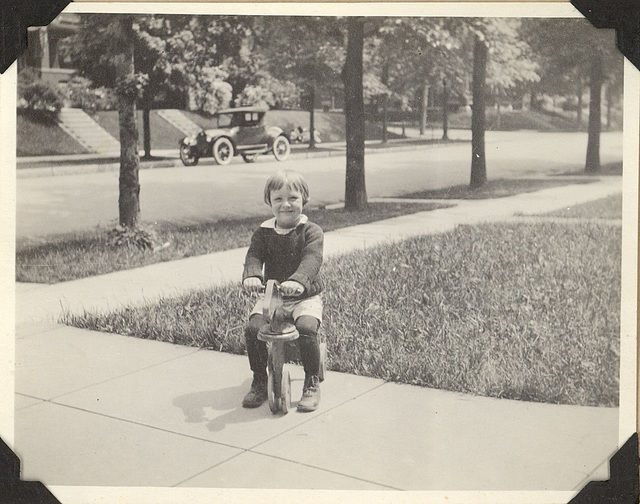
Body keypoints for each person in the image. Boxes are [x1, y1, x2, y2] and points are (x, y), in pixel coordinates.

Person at [241, 170, 324, 412]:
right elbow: (254, 256)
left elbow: (312, 259)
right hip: (272, 296)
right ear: (269, 201)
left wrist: (299, 280)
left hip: (304, 297)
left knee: (307, 328)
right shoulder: (264, 232)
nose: (285, 205)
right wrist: (253, 275)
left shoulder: (311, 231)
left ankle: (311, 381)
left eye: (293, 198)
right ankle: (259, 379)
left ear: (304, 199)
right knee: (253, 329)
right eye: (278, 199)